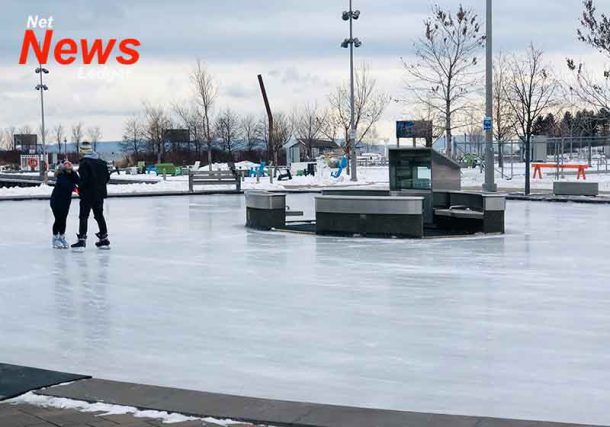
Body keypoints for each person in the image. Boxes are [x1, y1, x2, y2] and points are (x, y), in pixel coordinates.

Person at [71, 142, 111, 250]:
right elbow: (107, 178)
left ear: (83, 151)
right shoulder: (102, 163)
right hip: (99, 194)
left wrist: (79, 188)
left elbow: (84, 180)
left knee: (84, 216)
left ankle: (82, 240)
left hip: (87, 194)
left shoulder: (84, 163)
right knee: (99, 215)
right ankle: (104, 238)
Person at [50, 161, 79, 249]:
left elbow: (77, 180)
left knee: (63, 219)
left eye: (70, 164)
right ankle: (55, 238)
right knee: (58, 219)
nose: (68, 165)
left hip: (66, 201)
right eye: (66, 164)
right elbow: (67, 185)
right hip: (56, 200)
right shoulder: (61, 175)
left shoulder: (71, 175)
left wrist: (72, 171)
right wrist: (77, 189)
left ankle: (62, 237)